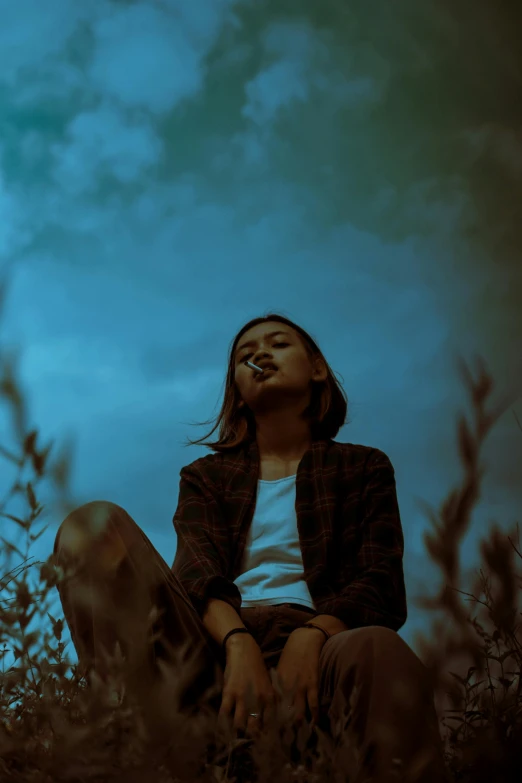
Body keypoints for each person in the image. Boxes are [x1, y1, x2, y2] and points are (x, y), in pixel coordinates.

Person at [52, 312, 448, 782]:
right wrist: (239, 644)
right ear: (237, 390)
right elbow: (196, 572)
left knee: (379, 647)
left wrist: (312, 636)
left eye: (278, 344)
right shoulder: (206, 477)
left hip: (325, 649)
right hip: (212, 647)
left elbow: (379, 581)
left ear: (317, 369)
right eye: (245, 355)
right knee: (90, 526)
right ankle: (131, 739)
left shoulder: (362, 468)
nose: (260, 354)